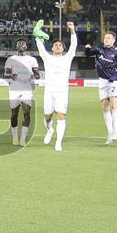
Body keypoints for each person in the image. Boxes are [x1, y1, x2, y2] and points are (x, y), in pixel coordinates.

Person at [35, 21, 77, 152]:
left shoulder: (67, 58)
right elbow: (40, 46)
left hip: (62, 92)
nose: (58, 46)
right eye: (55, 45)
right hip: (49, 91)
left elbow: (74, 45)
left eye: (60, 45)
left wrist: (72, 30)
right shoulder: (47, 57)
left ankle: (58, 142)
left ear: (63, 49)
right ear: (52, 48)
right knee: (47, 116)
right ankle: (50, 130)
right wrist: (37, 34)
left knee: (61, 115)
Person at [84, 31, 117, 145]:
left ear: (113, 40)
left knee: (114, 103)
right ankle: (109, 132)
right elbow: (88, 54)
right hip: (102, 81)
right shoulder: (99, 50)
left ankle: (115, 132)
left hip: (113, 81)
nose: (106, 40)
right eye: (105, 38)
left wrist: (115, 77)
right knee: (105, 106)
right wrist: (87, 49)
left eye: (109, 38)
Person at [3, 38, 40, 146]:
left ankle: (23, 139)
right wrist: (10, 75)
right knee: (14, 114)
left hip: (27, 89)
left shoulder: (32, 59)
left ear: (26, 46)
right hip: (14, 89)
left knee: (26, 112)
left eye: (23, 44)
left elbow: (37, 75)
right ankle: (15, 137)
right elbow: (5, 73)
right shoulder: (11, 59)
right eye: (19, 44)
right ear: (16, 46)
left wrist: (34, 75)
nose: (21, 45)